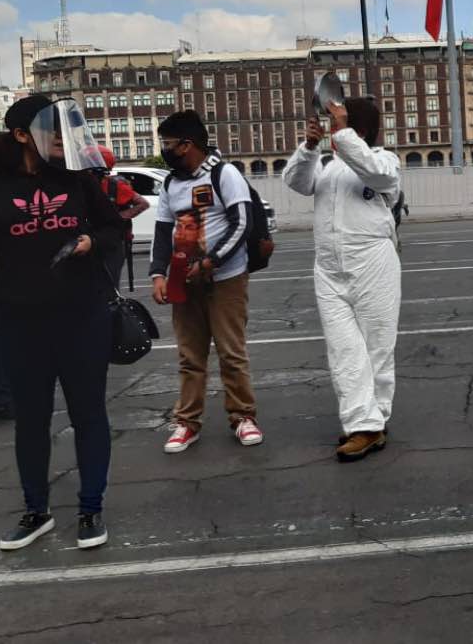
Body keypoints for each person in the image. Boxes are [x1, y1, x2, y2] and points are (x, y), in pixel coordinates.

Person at [0, 96, 122, 551]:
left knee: (89, 415)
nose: (57, 135)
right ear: (19, 135)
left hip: (82, 316)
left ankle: (91, 509)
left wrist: (93, 239)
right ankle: (36, 511)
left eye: (60, 127)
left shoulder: (77, 180)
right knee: (30, 421)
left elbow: (115, 229)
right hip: (19, 322)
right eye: (48, 127)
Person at [283, 97, 401, 462]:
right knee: (344, 350)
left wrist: (344, 133)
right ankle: (362, 422)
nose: (333, 129)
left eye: (339, 122)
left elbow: (377, 175)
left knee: (376, 345)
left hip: (372, 262)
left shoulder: (384, 159)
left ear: (358, 127)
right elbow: (296, 181)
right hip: (330, 268)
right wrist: (309, 147)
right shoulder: (328, 167)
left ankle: (372, 421)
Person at [149, 110, 262, 453]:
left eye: (168, 144)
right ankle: (187, 422)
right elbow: (163, 229)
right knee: (190, 355)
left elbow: (242, 223)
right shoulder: (171, 182)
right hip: (185, 281)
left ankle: (243, 416)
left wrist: (212, 261)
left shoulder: (224, 174)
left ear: (187, 145)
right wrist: (158, 273)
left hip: (225, 278)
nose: (166, 150)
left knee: (231, 352)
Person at [89, 144, 148, 289]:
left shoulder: (114, 186)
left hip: (113, 243)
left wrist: (118, 217)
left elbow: (142, 203)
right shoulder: (83, 185)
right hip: (90, 241)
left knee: (110, 287)